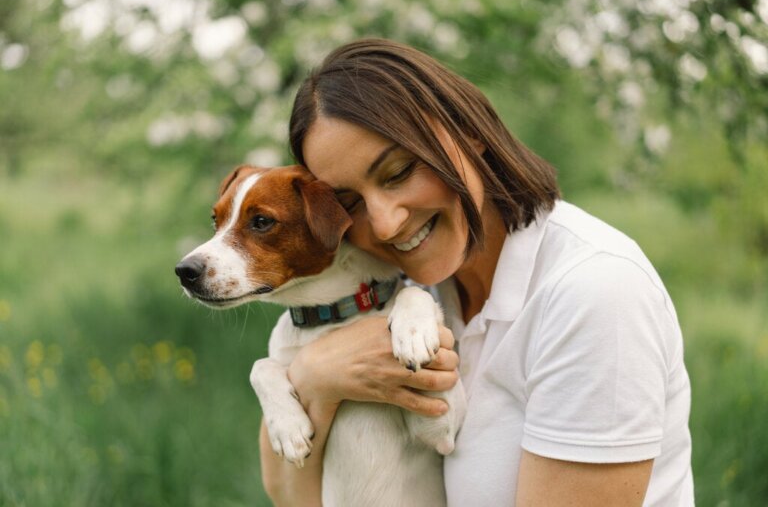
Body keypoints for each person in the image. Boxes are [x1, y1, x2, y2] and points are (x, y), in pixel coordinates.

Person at [258, 38, 693, 506]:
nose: (385, 224)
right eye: (349, 203)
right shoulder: (408, 292)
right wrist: (315, 376)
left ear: (467, 132)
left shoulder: (593, 291)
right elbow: (290, 496)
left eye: (398, 172)